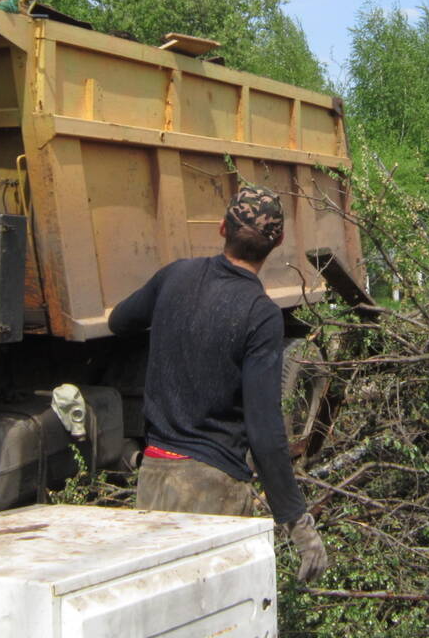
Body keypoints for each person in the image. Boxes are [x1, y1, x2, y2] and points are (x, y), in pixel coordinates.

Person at [109, 185, 328, 583]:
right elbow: (265, 432)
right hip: (213, 491)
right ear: (276, 243)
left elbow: (119, 322)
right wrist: (297, 522)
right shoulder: (260, 315)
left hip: (154, 478)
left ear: (221, 229)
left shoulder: (174, 276)